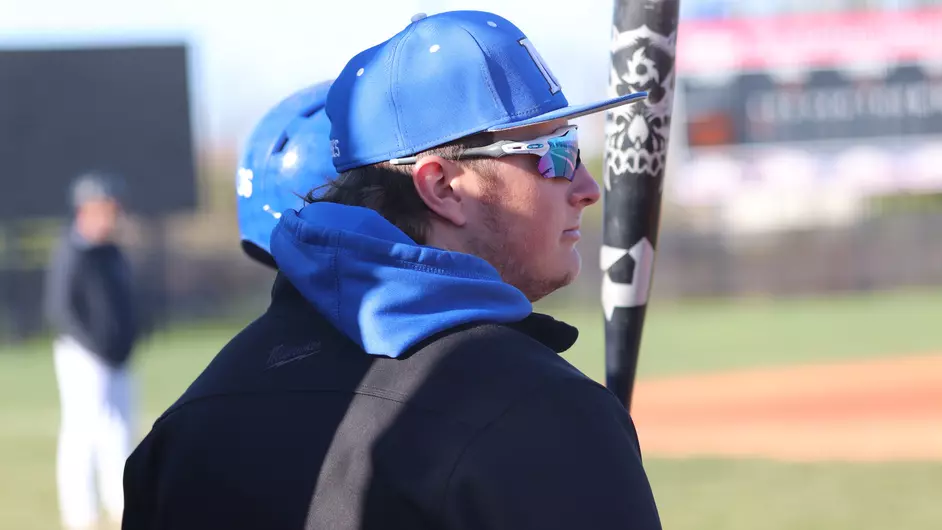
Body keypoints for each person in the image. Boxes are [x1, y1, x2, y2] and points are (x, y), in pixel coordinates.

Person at [122, 10, 661, 530]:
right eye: (555, 153)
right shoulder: (545, 417)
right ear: (442, 187)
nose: (588, 190)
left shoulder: (189, 423)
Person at [44, 171, 138, 530]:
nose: (113, 216)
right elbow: (61, 310)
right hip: (83, 356)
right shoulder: (71, 251)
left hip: (118, 355)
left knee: (119, 431)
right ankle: (81, 515)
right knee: (84, 434)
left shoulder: (111, 252)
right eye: (107, 208)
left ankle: (121, 506)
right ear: (87, 209)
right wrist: (96, 348)